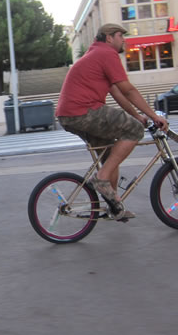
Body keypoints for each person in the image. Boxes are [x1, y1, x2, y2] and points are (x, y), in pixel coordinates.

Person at [56, 23, 168, 219]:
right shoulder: (107, 54)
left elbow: (117, 92)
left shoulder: (96, 55)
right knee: (134, 131)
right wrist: (154, 116)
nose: (124, 40)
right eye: (120, 36)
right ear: (109, 37)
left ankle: (113, 206)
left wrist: (137, 116)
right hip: (83, 111)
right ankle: (101, 178)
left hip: (70, 114)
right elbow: (129, 90)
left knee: (110, 156)